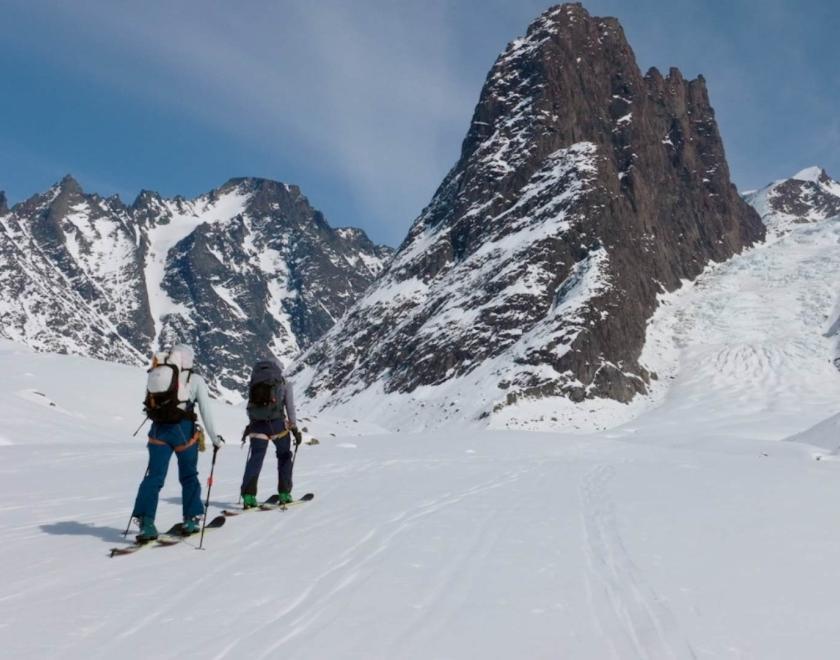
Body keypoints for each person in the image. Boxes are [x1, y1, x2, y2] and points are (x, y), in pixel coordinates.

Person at [132, 343, 223, 540]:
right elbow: (206, 410)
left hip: (157, 432)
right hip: (183, 432)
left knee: (154, 477)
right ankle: (191, 519)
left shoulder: (158, 375)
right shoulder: (194, 379)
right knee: (189, 476)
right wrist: (215, 438)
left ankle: (145, 523)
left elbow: (148, 406)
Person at [240, 357, 302, 507]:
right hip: (277, 425)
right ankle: (285, 493)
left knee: (256, 458)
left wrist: (251, 425)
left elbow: (251, 406)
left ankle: (248, 496)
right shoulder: (283, 383)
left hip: (256, 426)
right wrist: (294, 428)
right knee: (284, 456)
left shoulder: (255, 381)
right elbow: (290, 407)